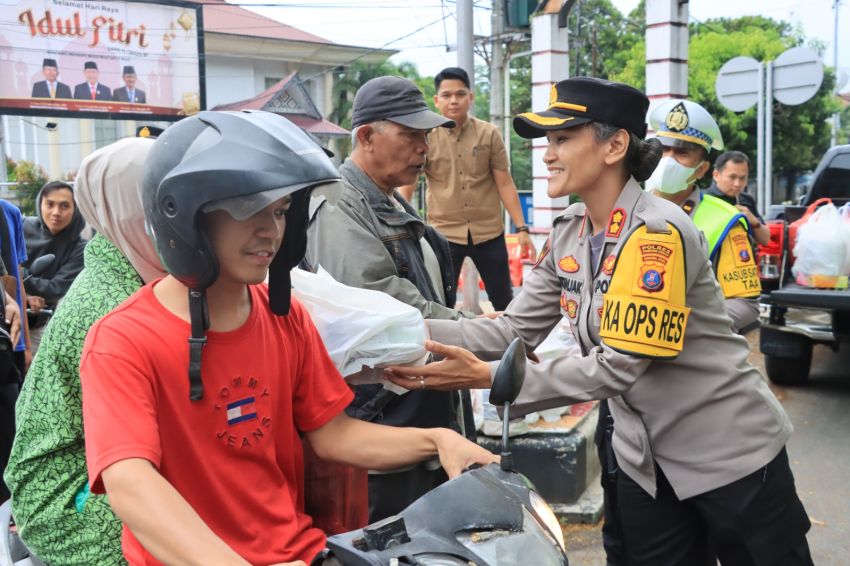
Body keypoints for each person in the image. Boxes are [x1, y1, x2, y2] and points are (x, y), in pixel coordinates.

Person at [387, 77, 813, 566]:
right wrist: (397, 333)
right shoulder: (570, 231)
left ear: (614, 146)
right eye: (549, 141)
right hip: (644, 462)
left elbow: (618, 368)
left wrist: (490, 377)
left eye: (563, 138)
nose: (548, 154)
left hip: (728, 454)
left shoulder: (658, 233)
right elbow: (510, 330)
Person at [80, 110, 496, 566]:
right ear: (188, 217)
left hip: (298, 552)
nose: (270, 231)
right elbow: (130, 483)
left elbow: (332, 434)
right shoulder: (122, 339)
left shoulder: (285, 315)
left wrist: (437, 440)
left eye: (279, 212)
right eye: (247, 211)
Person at [305, 75, 477, 522]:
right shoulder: (339, 203)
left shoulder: (388, 200)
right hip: (382, 420)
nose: (424, 147)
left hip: (416, 408)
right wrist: (478, 331)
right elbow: (382, 308)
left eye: (426, 136)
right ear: (366, 136)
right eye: (410, 135)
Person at [6, 136, 165, 565]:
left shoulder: (131, 269)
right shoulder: (112, 303)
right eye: (161, 202)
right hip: (66, 492)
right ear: (125, 210)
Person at [399, 67, 535, 311]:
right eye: (447, 95)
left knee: (504, 300)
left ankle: (517, 347)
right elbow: (409, 184)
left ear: (470, 97)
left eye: (460, 94)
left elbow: (504, 182)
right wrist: (403, 226)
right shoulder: (425, 138)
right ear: (437, 100)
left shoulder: (489, 134)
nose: (454, 100)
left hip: (488, 232)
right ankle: (446, 349)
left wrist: (522, 228)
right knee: (440, 301)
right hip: (443, 234)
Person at [645, 99, 761, 332]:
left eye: (682, 153)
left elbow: (746, 304)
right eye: (663, 149)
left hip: (691, 356)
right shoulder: (625, 208)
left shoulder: (724, 220)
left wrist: (688, 328)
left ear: (702, 169)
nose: (668, 159)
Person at [22, 181, 87, 352]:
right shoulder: (21, 226)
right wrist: (25, 294)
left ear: (75, 209)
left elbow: (55, 289)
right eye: (49, 204)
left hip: (38, 324)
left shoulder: (79, 247)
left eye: (64, 206)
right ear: (40, 203)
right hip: (6, 314)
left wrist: (20, 274)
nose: (56, 213)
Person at [706, 150, 770, 246]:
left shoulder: (746, 200)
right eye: (732, 177)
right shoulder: (703, 199)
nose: (738, 184)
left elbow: (765, 240)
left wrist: (754, 222)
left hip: (744, 258)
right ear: (716, 175)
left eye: (743, 178)